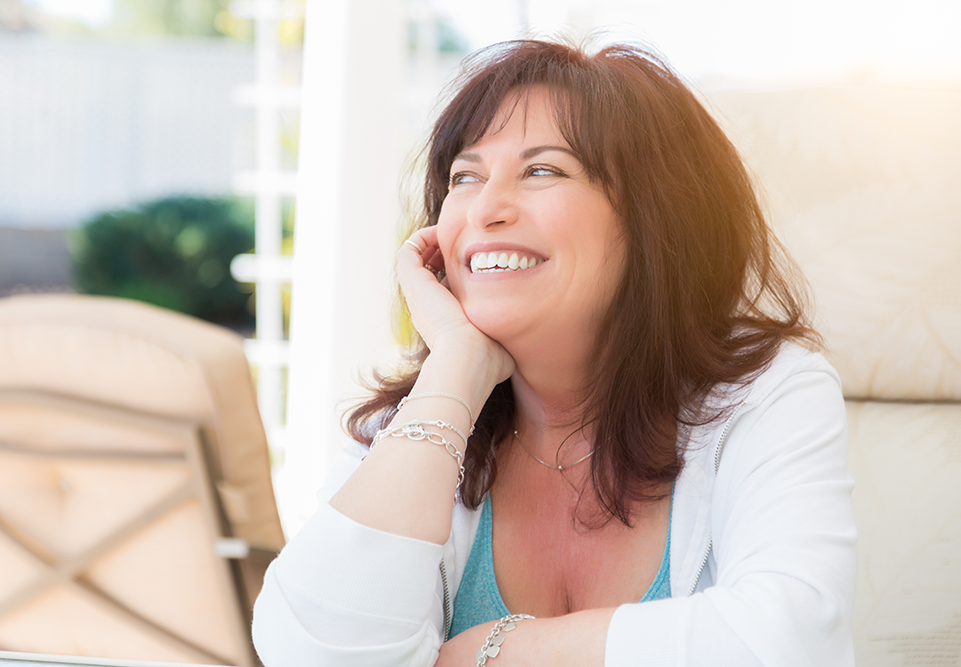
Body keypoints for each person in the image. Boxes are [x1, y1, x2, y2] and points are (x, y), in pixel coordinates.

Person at [252, 39, 856, 666]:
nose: (486, 209)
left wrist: (492, 652)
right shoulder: (424, 418)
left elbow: (791, 641)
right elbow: (311, 653)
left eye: (543, 170)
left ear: (654, 216)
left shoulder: (765, 390)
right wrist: (457, 365)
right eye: (466, 176)